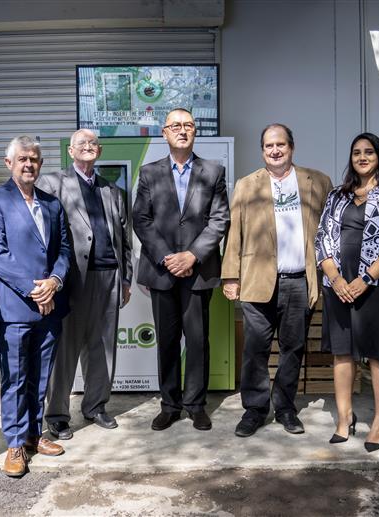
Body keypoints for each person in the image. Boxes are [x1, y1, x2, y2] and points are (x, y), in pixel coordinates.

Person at [222, 123, 333, 437]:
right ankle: (254, 410)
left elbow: (331, 231)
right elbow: (234, 233)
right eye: (269, 146)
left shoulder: (318, 182)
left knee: (292, 348)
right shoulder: (247, 185)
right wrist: (230, 276)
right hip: (257, 281)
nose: (275, 151)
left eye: (280, 145)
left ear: (291, 147)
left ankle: (285, 408)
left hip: (299, 282)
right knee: (255, 349)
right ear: (262, 151)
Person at [314, 132, 379, 451]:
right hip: (339, 287)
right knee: (342, 352)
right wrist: (336, 279)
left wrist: (366, 278)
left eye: (369, 152)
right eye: (356, 152)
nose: (362, 157)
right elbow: (322, 238)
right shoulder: (337, 195)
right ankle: (344, 418)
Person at [132, 108, 230, 431]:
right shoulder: (149, 173)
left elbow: (220, 219)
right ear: (164, 133)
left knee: (198, 341)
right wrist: (167, 257)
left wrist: (192, 256)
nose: (182, 130)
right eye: (175, 126)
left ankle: (196, 405)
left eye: (188, 125)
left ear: (195, 131)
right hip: (162, 272)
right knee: (167, 341)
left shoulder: (213, 171)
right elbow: (141, 219)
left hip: (197, 271)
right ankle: (170, 405)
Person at [0, 136, 71, 477]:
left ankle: (34, 434)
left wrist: (54, 282)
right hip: (15, 306)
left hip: (51, 305)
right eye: (22, 159)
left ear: (40, 164)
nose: (29, 164)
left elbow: (64, 249)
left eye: (34, 159)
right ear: (9, 163)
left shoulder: (52, 203)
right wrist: (37, 291)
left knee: (41, 375)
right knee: (16, 378)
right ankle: (15, 443)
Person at [39, 128, 133, 439]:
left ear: (100, 151)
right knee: (65, 350)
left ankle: (95, 406)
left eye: (93, 143)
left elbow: (125, 238)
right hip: (71, 279)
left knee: (103, 347)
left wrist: (126, 278)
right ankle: (56, 414)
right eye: (82, 143)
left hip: (109, 277)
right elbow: (43, 234)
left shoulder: (112, 190)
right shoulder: (52, 183)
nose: (88, 146)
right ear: (70, 151)